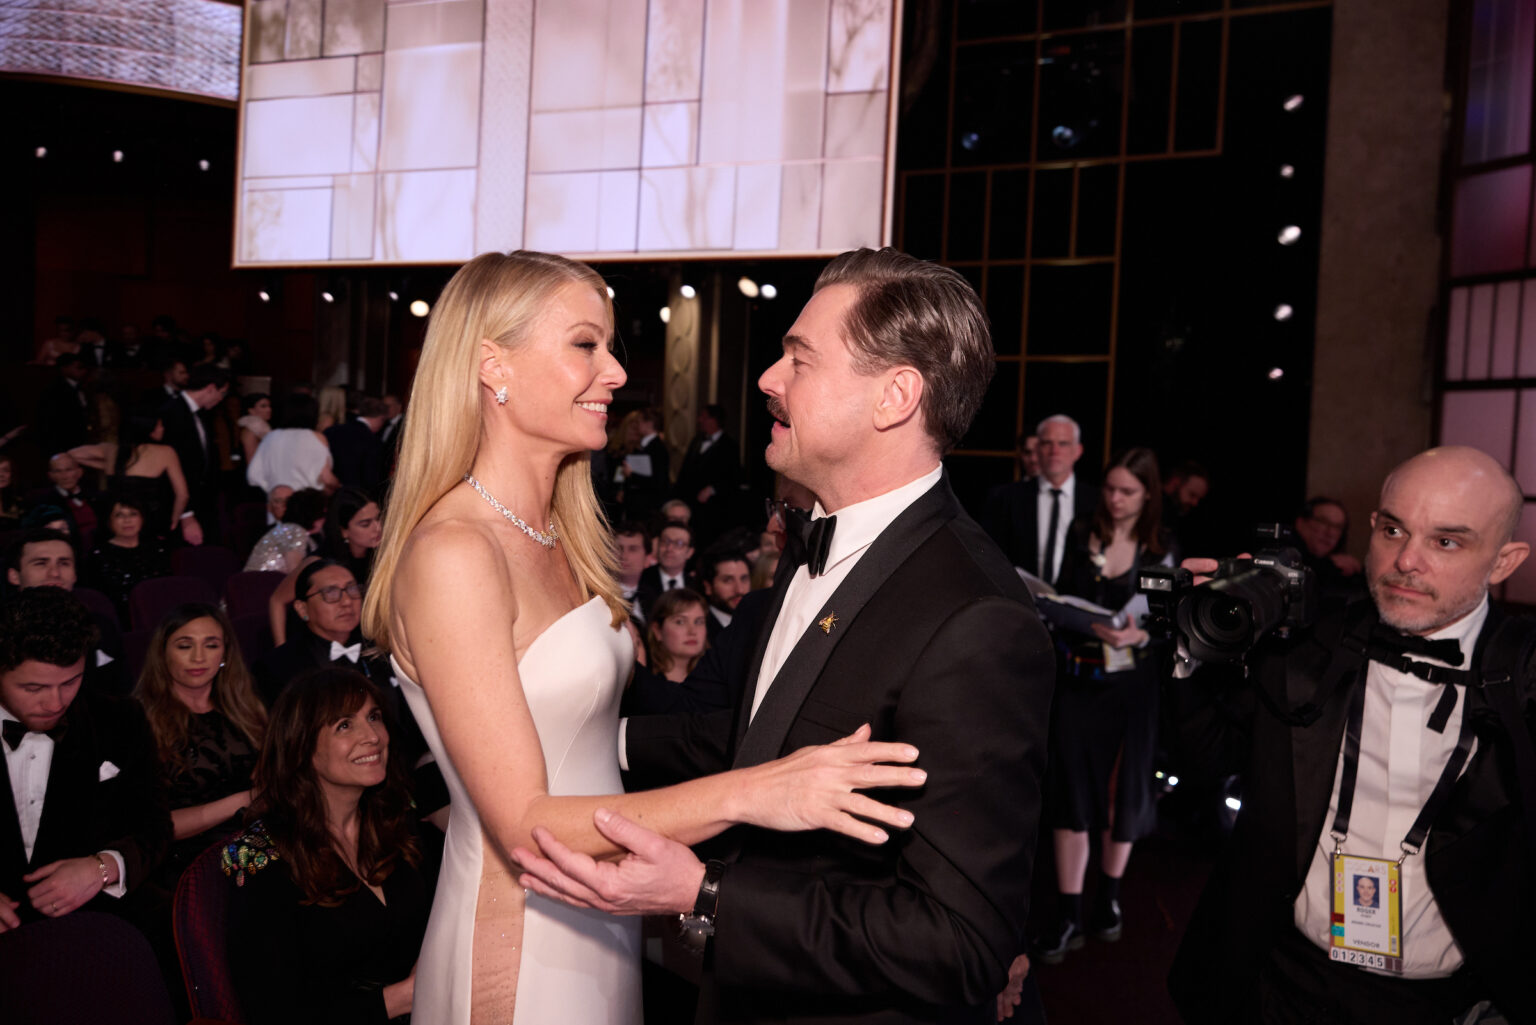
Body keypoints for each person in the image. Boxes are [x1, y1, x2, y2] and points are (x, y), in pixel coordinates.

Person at [360, 249, 927, 1025]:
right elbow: (525, 819)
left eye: (610, 346)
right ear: (494, 365)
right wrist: (763, 790)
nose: (618, 372)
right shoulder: (456, 551)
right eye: (585, 344)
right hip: (521, 930)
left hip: (600, 912)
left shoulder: (562, 530)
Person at [513, 247, 1056, 1024]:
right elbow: (757, 741)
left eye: (800, 357)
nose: (769, 377)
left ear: (895, 396)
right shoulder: (812, 546)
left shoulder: (976, 618)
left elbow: (960, 940)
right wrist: (597, 732)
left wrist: (704, 893)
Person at [1167, 446, 1536, 1024]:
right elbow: (1210, 758)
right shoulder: (1306, 642)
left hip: (1443, 1005)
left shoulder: (1526, 680)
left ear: (1504, 561)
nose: (1406, 560)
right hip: (1279, 980)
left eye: (1446, 541)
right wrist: (1197, 645)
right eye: (1394, 529)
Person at [227, 668, 428, 1024]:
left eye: (374, 717)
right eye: (344, 725)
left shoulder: (396, 819)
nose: (373, 737)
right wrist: (398, 1000)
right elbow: (272, 1013)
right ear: (302, 746)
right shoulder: (256, 854)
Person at [1035, 447, 1173, 963]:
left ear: (1147, 496)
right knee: (1070, 789)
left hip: (1130, 688)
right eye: (1110, 488)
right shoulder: (1080, 531)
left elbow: (1169, 622)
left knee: (1123, 791)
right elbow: (1058, 598)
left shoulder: (1160, 546)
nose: (1114, 499)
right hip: (1079, 679)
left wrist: (1143, 634)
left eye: (1127, 492)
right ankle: (1069, 911)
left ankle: (1108, 901)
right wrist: (1077, 618)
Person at [0, 587, 170, 928]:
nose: (55, 702)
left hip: (96, 920)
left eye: (71, 681)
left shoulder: (119, 718)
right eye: (33, 688)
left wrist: (102, 867)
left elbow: (154, 827)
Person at [6, 529, 127, 695]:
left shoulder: (101, 626)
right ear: (14, 576)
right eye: (41, 563)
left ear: (75, 575)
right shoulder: (4, 631)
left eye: (64, 563)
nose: (55, 573)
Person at [980, 413, 1096, 586]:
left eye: (1063, 444)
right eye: (1046, 443)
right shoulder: (1006, 498)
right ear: (1038, 449)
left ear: (1078, 451)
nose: (1054, 451)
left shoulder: (1095, 500)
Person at [70, 412, 196, 542]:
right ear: (147, 429)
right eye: (159, 426)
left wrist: (105, 465)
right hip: (149, 522)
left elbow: (72, 454)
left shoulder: (111, 450)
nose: (163, 428)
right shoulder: (166, 452)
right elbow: (182, 495)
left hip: (114, 521)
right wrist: (174, 520)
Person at [158, 364, 230, 538]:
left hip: (202, 504)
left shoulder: (202, 414)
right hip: (179, 508)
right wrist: (186, 515)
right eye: (222, 393)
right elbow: (175, 468)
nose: (221, 399)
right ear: (211, 388)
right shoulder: (173, 412)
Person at [84, 494, 171, 622]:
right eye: (119, 515)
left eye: (133, 514)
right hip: (116, 620)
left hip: (157, 616)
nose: (127, 520)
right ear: (109, 521)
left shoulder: (158, 550)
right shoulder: (97, 555)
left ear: (142, 518)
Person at [673, 403, 741, 549]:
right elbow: (685, 470)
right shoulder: (696, 441)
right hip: (691, 503)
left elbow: (734, 477)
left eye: (704, 417)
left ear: (714, 420)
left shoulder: (729, 445)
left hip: (714, 509)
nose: (699, 420)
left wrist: (713, 489)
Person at [248, 392, 341, 496]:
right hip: (308, 501)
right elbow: (326, 478)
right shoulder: (316, 438)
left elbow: (253, 475)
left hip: (276, 502)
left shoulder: (271, 437)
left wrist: (272, 490)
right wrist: (339, 486)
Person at [244, 487, 325, 574]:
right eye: (324, 514)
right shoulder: (292, 531)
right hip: (261, 584)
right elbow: (295, 574)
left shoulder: (304, 535)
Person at [325, 395, 389, 496]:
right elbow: (371, 477)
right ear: (380, 418)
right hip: (357, 496)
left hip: (330, 492)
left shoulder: (331, 431)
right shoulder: (373, 441)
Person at [635, 520, 697, 614]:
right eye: (665, 541)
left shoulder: (696, 586)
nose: (669, 548)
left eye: (678, 543)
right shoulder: (640, 579)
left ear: (689, 552)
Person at [622, 406, 670, 522]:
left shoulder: (657, 448)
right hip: (639, 504)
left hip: (647, 507)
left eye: (640, 422)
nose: (638, 425)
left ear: (649, 424)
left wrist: (632, 475)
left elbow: (658, 481)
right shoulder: (645, 445)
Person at [698, 547, 751, 641]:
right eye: (728, 580)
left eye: (744, 579)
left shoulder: (759, 621)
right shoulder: (700, 631)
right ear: (708, 587)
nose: (739, 590)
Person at [612, 521, 651, 625]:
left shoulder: (655, 598)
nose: (624, 556)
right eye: (618, 548)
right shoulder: (596, 596)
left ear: (647, 559)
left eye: (633, 549)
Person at [237, 392, 272, 465]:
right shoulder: (251, 430)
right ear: (251, 410)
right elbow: (251, 461)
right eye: (263, 406)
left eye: (269, 406)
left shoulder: (263, 427)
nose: (269, 409)